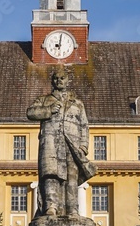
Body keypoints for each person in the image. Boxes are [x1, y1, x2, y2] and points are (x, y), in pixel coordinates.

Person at [27, 66, 96, 217]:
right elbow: (30, 112)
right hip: (51, 143)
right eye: (56, 78)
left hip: (72, 144)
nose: (59, 80)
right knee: (50, 175)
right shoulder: (44, 100)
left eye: (62, 78)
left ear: (67, 81)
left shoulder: (77, 103)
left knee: (71, 177)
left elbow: (84, 125)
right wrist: (48, 110)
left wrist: (84, 145)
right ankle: (50, 207)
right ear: (52, 81)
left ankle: (72, 209)